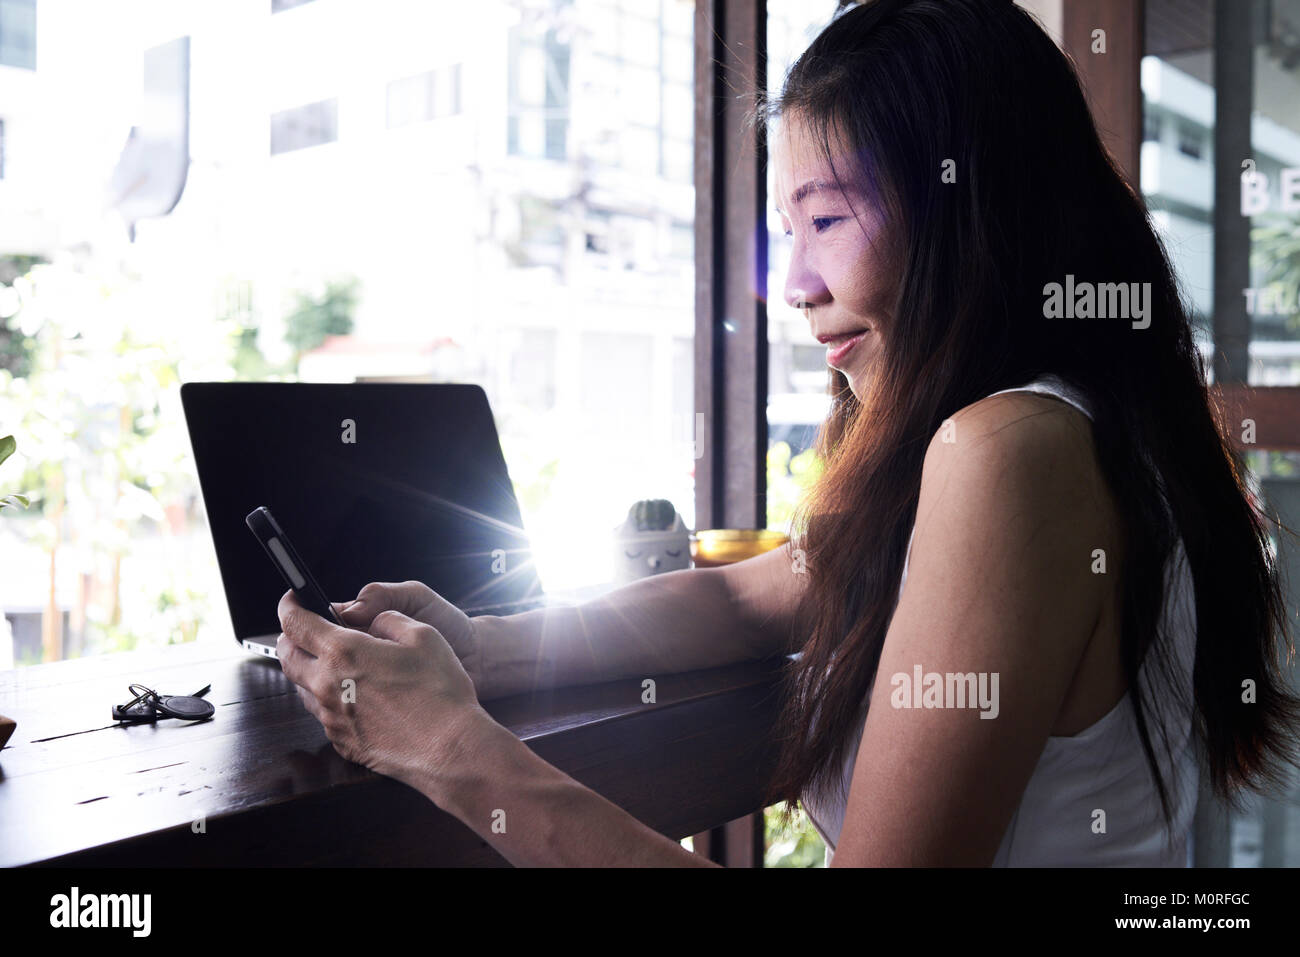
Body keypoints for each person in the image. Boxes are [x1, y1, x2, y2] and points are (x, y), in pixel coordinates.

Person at [275, 0, 1300, 866]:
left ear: (972, 209)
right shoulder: (1058, 422)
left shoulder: (1009, 453)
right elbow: (750, 591)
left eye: (829, 220)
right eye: (786, 231)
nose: (796, 286)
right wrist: (487, 647)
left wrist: (449, 747)